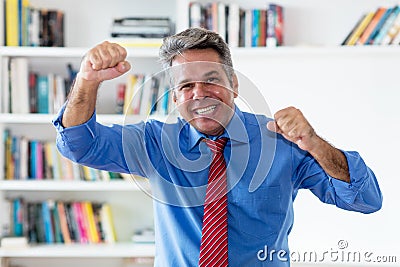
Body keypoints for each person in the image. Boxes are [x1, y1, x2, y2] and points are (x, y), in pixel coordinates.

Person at [53, 28, 382, 266]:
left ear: (234, 85)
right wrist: (87, 81)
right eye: (186, 85)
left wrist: (313, 143)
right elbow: (79, 145)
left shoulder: (283, 142)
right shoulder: (154, 143)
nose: (200, 93)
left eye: (211, 79)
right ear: (176, 96)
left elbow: (366, 200)